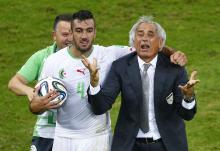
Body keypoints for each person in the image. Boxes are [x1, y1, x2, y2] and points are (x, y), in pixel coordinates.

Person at [38, 10, 188, 151]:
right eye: (79, 30)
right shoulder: (53, 61)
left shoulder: (110, 54)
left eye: (89, 30)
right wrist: (37, 105)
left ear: (95, 32)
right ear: (71, 34)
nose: (84, 36)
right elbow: (34, 105)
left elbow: (148, 47)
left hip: (97, 137)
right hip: (64, 137)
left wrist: (173, 53)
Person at [83, 16, 199, 151]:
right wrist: (94, 85)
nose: (144, 38)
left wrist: (189, 97)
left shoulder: (174, 69)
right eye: (140, 34)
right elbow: (100, 108)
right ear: (133, 42)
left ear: (161, 43)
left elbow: (187, 115)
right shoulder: (120, 67)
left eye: (150, 34)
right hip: (130, 146)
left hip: (167, 145)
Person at [8, 14, 73, 151]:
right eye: (65, 34)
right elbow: (14, 83)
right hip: (45, 134)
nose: (70, 39)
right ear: (54, 35)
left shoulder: (84, 59)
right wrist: (30, 92)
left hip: (73, 134)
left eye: (73, 33)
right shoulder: (42, 57)